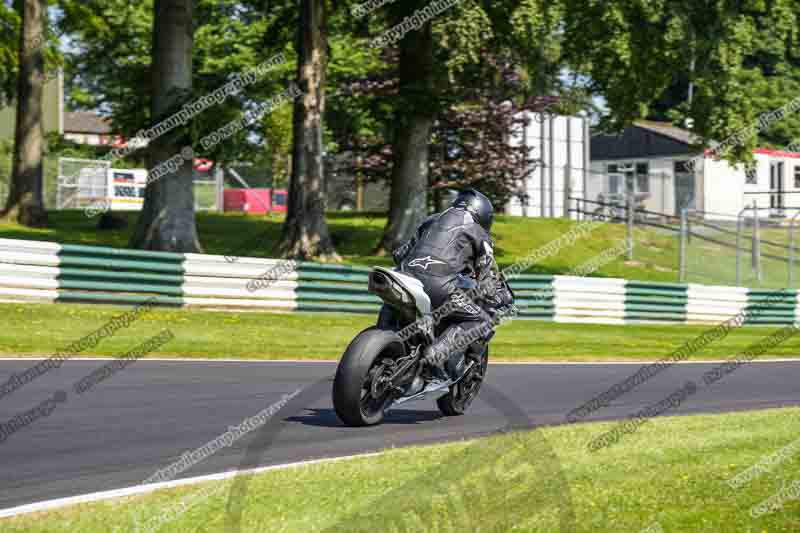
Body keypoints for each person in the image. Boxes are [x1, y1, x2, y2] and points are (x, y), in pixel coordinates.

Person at [391, 188, 515, 380]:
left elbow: (399, 254)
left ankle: (385, 342)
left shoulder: (431, 220)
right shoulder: (479, 233)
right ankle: (437, 354)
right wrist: (496, 298)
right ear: (481, 214)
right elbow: (487, 277)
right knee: (482, 320)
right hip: (440, 285)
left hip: (404, 276)